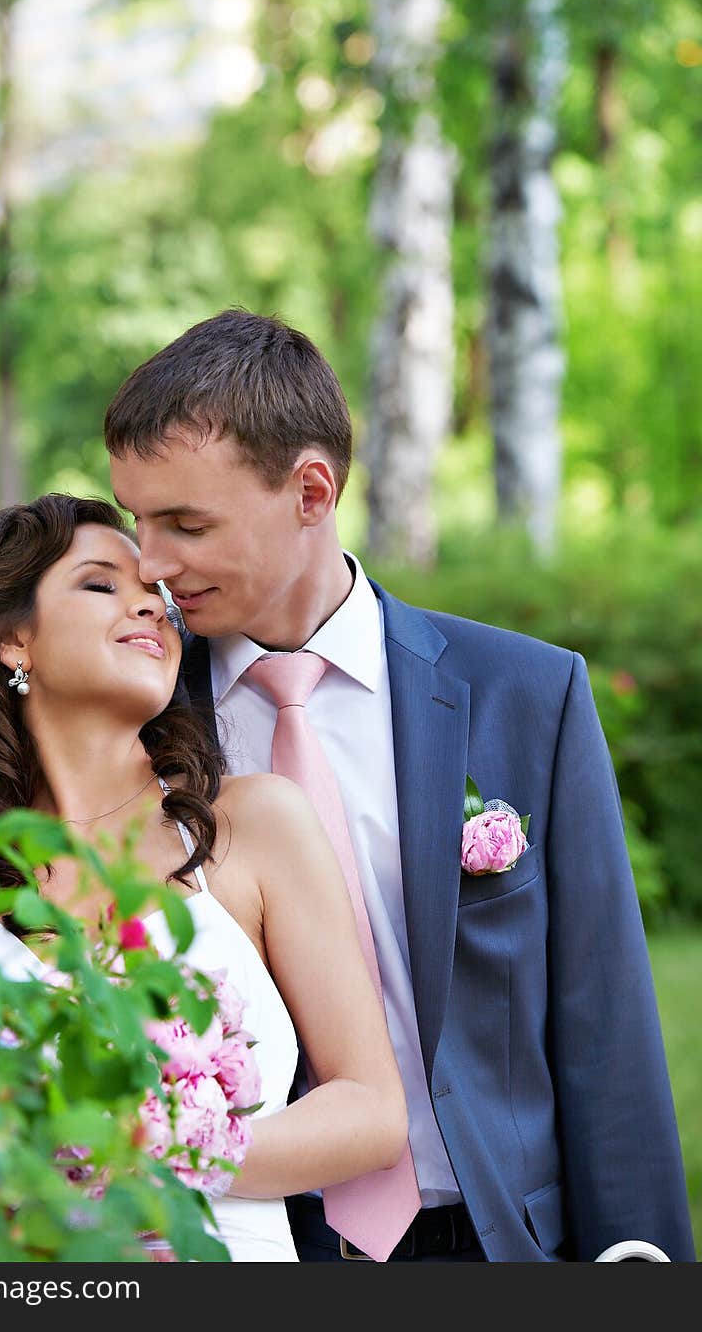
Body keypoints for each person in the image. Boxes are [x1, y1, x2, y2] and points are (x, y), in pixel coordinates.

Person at [102, 307, 696, 1263]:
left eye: (185, 522)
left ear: (310, 490)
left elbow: (603, 1026)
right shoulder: (136, 723)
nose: (153, 561)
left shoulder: (528, 696)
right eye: (138, 520)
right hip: (256, 1241)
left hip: (496, 1238)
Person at [0, 492, 408, 1263]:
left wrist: (161, 1148)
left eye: (157, 596)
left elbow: (373, 1114)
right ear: (14, 639)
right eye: (101, 584)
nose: (150, 607)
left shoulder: (252, 828)